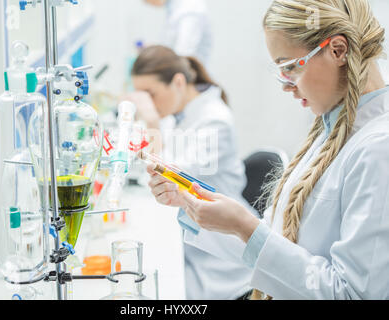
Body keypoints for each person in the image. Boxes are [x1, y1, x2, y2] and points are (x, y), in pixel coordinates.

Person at [146, 0, 389, 299]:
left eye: (289, 67)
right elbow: (273, 247)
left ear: (338, 50)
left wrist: (246, 228)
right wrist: (193, 205)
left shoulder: (379, 149)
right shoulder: (329, 130)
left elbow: (353, 294)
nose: (285, 85)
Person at [124, 45, 258, 300]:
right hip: (195, 237)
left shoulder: (214, 121)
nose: (148, 103)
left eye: (150, 94)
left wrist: (151, 121)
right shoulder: (180, 114)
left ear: (178, 82)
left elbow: (168, 174)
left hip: (220, 258)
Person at [142, 0, 212, 67]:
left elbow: (184, 53)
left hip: (190, 74)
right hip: (179, 70)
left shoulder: (190, 8)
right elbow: (170, 45)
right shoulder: (174, 7)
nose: (145, 2)